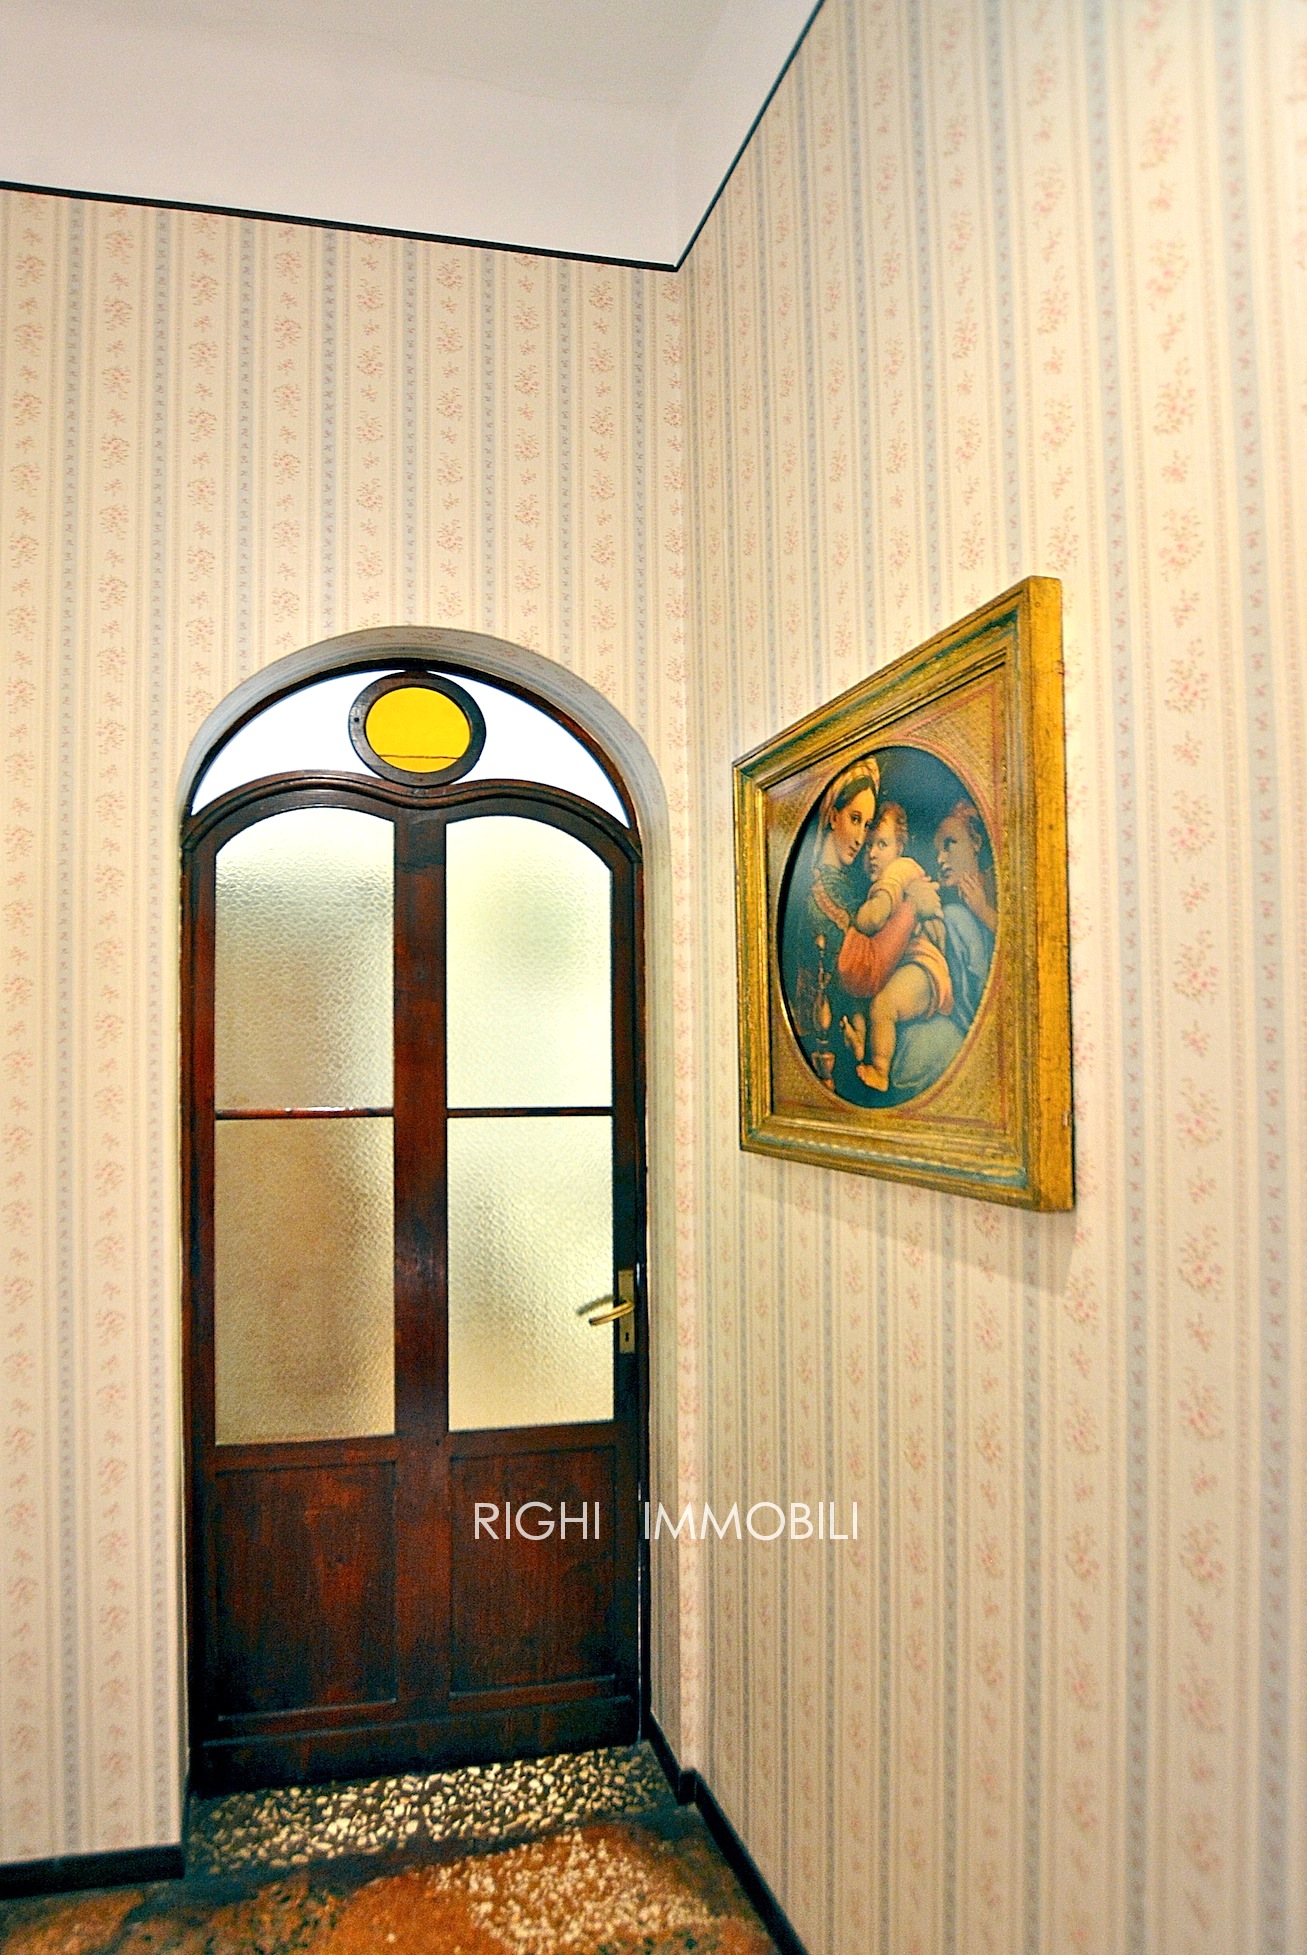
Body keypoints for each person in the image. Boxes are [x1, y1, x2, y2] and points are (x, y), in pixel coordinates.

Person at [781, 758, 920, 1097]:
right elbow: (865, 970)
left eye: (867, 825)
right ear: (832, 816)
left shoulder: (844, 884)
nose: (860, 839)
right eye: (854, 820)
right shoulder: (823, 891)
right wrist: (913, 905)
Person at [839, 802, 953, 1092]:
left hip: (921, 967)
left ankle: (880, 1070)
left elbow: (874, 916)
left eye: (882, 844)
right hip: (896, 965)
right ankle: (859, 1043)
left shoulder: (899, 870)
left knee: (883, 1004)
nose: (872, 854)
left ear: (899, 848)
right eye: (868, 846)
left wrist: (864, 916)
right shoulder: (875, 879)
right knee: (858, 999)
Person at [933, 800, 996, 1033]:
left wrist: (983, 911)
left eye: (949, 845)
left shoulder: (997, 884)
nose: (940, 859)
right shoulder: (947, 905)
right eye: (937, 851)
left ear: (976, 843)